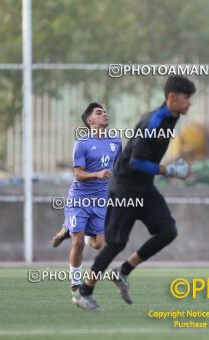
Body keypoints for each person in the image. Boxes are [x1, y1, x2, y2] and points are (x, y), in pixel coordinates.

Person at [72, 75, 196, 311]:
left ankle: (123, 271)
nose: (189, 103)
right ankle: (84, 292)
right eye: (186, 98)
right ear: (171, 98)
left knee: (168, 230)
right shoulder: (154, 122)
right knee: (116, 243)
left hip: (144, 186)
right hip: (125, 187)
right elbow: (137, 161)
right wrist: (167, 169)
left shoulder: (173, 115)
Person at [52, 102, 122, 294]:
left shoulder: (116, 142)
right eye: (99, 113)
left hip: (101, 201)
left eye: (105, 112)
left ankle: (70, 229)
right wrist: (97, 174)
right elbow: (78, 174)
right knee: (79, 242)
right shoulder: (82, 143)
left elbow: (117, 171)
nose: (105, 114)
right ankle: (76, 284)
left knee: (100, 245)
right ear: (90, 120)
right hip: (80, 199)